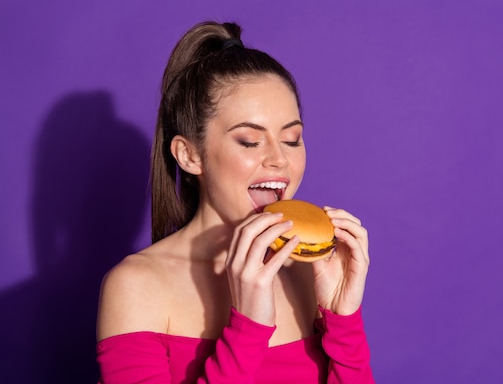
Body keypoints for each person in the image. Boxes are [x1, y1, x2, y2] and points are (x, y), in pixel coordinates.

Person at [96, 21, 374, 384]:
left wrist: (343, 320)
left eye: (291, 139)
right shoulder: (136, 287)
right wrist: (249, 329)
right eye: (249, 141)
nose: (279, 160)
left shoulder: (310, 272)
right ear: (189, 155)